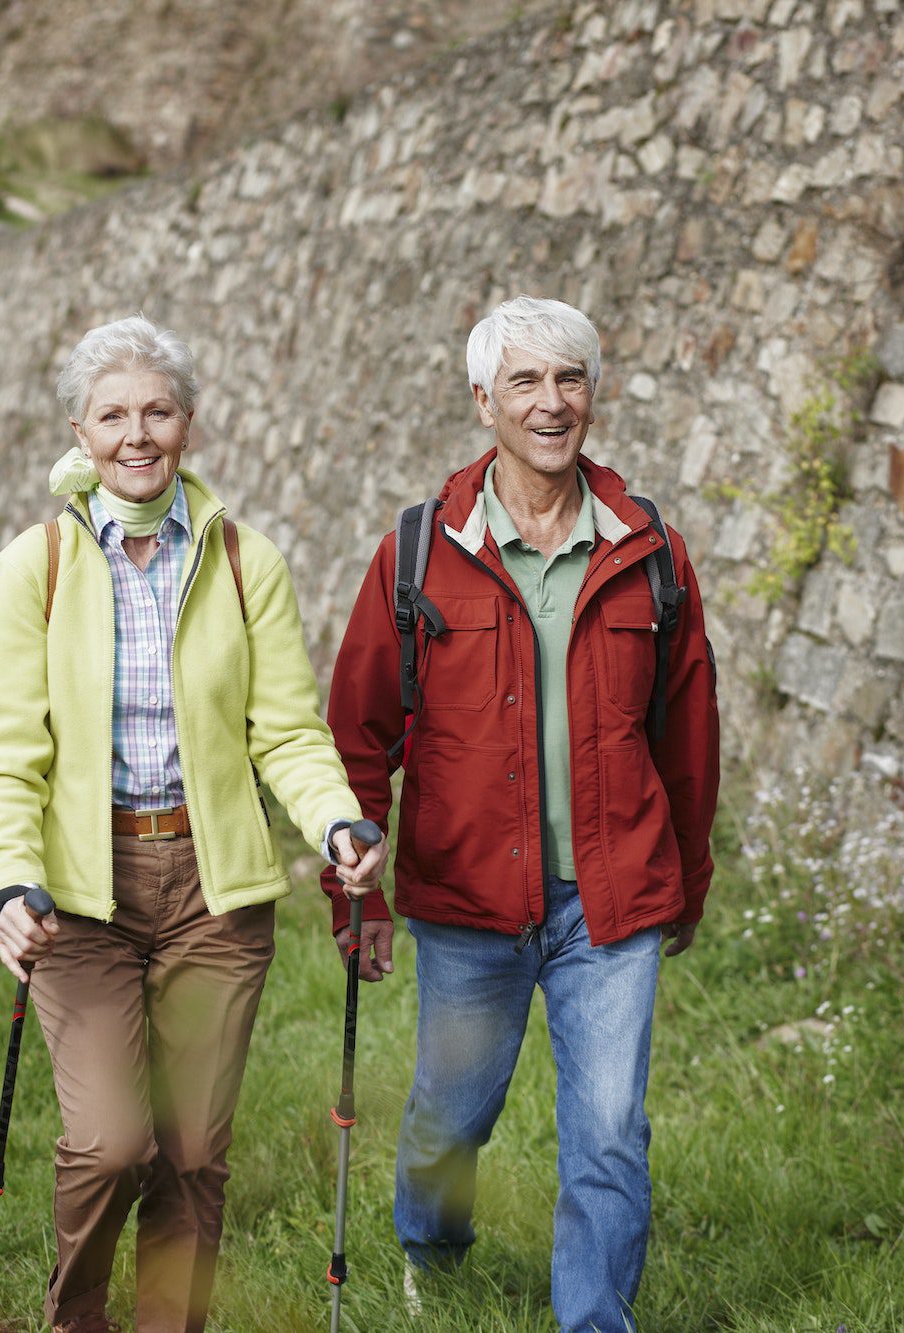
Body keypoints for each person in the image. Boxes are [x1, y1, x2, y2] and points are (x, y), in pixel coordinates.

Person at [0, 314, 386, 1333]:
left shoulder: (247, 561)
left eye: (156, 410)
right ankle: (75, 1321)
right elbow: (7, 752)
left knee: (194, 1152)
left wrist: (335, 822)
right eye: (113, 414)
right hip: (79, 895)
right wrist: (6, 884)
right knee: (112, 1142)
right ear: (80, 429)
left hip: (214, 891)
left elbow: (286, 730)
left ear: (188, 424)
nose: (136, 433)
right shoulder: (39, 567)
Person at [321, 296, 720, 1332]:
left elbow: (687, 740)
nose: (551, 404)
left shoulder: (650, 550)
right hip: (466, 898)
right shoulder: (418, 551)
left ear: (594, 394)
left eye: (569, 380)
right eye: (526, 383)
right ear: (482, 400)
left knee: (608, 1133)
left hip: (611, 898)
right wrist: (350, 894)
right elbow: (358, 733)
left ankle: (592, 1319)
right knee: (449, 1121)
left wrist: (688, 879)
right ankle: (430, 1252)